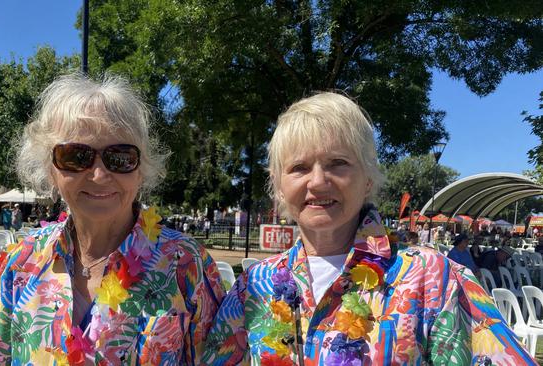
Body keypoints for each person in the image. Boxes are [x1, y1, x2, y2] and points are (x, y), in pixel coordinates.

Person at [201, 92, 536, 365]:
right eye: (299, 167)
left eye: (338, 163)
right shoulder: (254, 285)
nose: (317, 182)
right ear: (278, 185)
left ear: (368, 178)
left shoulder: (432, 278)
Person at [0, 74, 225, 365]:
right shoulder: (20, 264)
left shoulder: (185, 262)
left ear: (141, 170)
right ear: (51, 170)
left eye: (121, 157)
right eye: (75, 156)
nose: (99, 175)